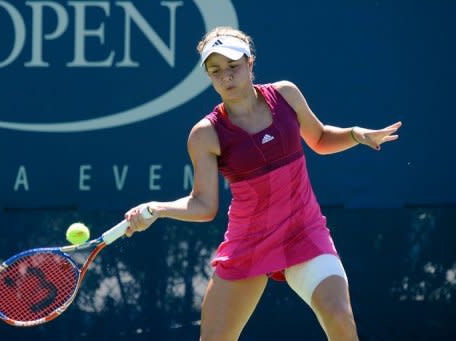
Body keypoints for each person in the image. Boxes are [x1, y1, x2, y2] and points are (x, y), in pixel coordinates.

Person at [124, 26, 401, 341]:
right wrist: (155, 208)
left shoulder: (285, 94)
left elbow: (320, 138)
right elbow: (202, 205)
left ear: (250, 64)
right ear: (209, 77)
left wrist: (355, 134)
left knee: (339, 318)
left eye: (233, 67)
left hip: (304, 231)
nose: (226, 76)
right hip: (249, 244)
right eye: (216, 71)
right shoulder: (205, 134)